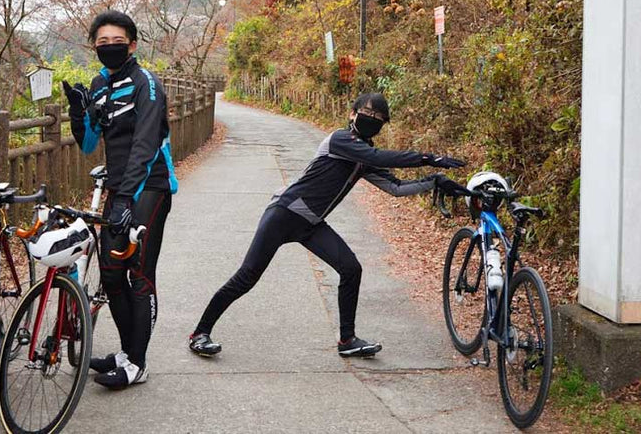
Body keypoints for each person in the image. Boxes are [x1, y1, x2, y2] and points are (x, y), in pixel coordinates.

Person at [188, 93, 466, 358]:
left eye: (379, 116)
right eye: (367, 112)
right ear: (352, 114)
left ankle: (347, 340)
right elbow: (378, 157)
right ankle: (199, 333)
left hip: (311, 223)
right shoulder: (341, 140)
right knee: (247, 277)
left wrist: (435, 180)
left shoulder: (364, 157)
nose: (372, 118)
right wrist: (427, 157)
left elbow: (395, 187)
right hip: (284, 214)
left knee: (351, 268)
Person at [63, 10, 177, 389]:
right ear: (94, 46)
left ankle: (138, 363)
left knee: (139, 274)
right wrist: (78, 112)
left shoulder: (146, 83)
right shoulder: (100, 83)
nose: (109, 47)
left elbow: (145, 145)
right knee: (111, 275)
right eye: (101, 42)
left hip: (150, 188)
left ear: (132, 44)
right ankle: (129, 352)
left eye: (117, 41)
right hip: (120, 190)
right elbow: (90, 143)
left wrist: (126, 198)